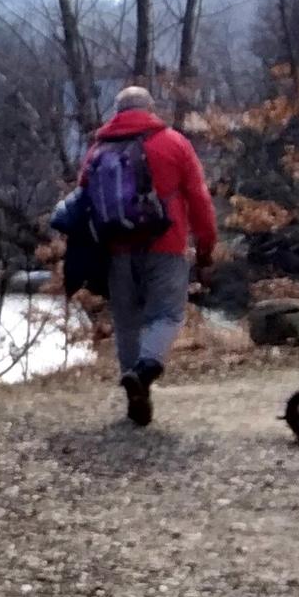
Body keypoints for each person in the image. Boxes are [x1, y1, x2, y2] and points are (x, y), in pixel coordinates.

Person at [78, 84, 217, 427]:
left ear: (117, 111)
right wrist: (206, 247)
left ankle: (135, 395)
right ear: (151, 109)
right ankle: (145, 370)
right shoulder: (173, 143)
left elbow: (82, 201)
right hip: (165, 246)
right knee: (167, 316)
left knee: (127, 323)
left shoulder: (98, 149)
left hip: (116, 250)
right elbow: (199, 199)